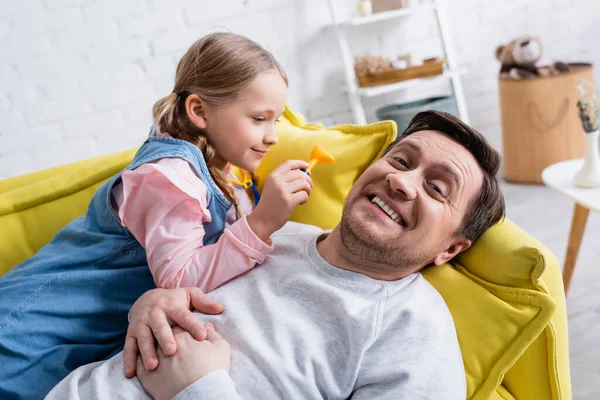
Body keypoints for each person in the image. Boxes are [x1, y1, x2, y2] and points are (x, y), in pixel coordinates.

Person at [47, 111, 506, 399]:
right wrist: (151, 304)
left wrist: (198, 389)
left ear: (451, 248)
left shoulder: (415, 335)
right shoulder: (267, 233)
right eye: (401, 161)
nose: (402, 182)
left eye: (436, 188)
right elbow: (182, 274)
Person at [0, 32, 313, 399]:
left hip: (87, 335)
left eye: (275, 120)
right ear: (199, 111)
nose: (273, 136)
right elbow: (178, 279)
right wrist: (261, 222)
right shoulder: (168, 178)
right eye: (260, 119)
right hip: (33, 328)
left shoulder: (217, 170)